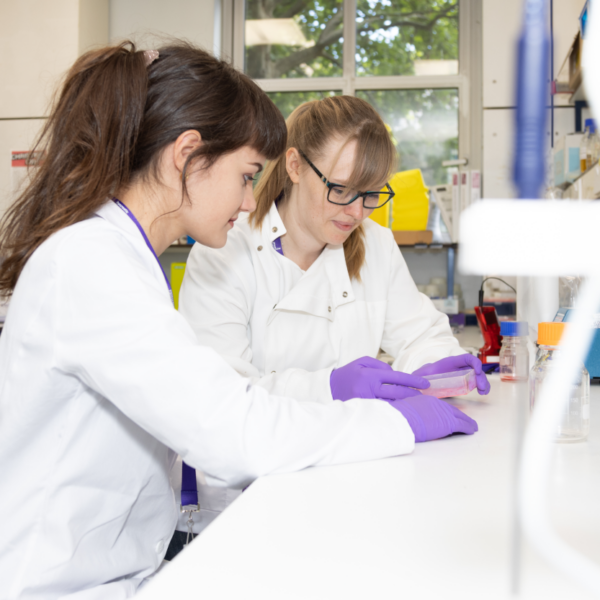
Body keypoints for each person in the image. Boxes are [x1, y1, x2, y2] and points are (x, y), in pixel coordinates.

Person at [0, 43, 477, 599]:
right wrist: (395, 423)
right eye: (247, 175)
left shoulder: (118, 256)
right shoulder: (90, 264)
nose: (252, 201)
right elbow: (233, 430)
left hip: (114, 574)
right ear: (188, 155)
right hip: (55, 584)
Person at [180, 95, 490, 405]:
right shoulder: (225, 251)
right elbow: (222, 395)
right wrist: (327, 388)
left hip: (358, 446)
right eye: (340, 189)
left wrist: (437, 366)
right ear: (295, 166)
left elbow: (420, 336)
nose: (357, 213)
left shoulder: (375, 244)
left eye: (371, 193)